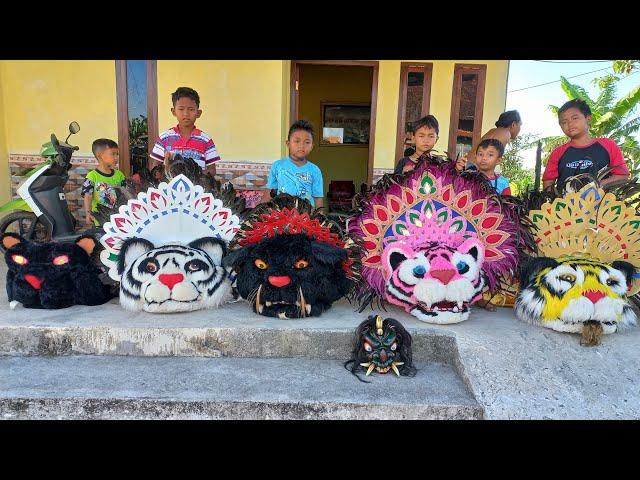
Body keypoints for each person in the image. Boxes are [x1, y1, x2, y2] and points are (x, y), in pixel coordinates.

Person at [542, 99, 629, 191]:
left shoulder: (608, 145)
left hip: (603, 204)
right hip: (566, 204)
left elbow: (622, 176)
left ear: (588, 118)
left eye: (575, 118)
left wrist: (594, 186)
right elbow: (548, 182)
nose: (570, 124)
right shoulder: (558, 152)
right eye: (564, 122)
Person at [150, 87, 221, 177]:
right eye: (181, 109)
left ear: (198, 113)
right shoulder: (164, 137)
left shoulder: (206, 140)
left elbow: (212, 170)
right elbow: (155, 167)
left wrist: (194, 174)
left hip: (196, 189)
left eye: (191, 109)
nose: (186, 114)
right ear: (173, 111)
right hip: (169, 189)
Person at [265, 120, 324, 208]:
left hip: (306, 218)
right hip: (281, 216)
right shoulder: (277, 166)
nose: (301, 145)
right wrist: (259, 214)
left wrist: (320, 219)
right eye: (297, 141)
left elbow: (318, 198)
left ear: (312, 146)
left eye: (307, 142)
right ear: (288, 144)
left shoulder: (315, 170)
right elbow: (269, 193)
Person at [456, 110, 522, 172]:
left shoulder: (492, 130)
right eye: (520, 125)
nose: (520, 129)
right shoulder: (506, 133)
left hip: (466, 163)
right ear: (513, 125)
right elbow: (490, 157)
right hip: (474, 168)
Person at [82, 138, 126, 226]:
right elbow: (88, 196)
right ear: (100, 156)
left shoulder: (119, 175)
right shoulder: (92, 176)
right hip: (100, 221)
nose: (116, 157)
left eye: (117, 154)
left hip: (119, 220)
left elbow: (125, 194)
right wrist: (88, 213)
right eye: (113, 154)